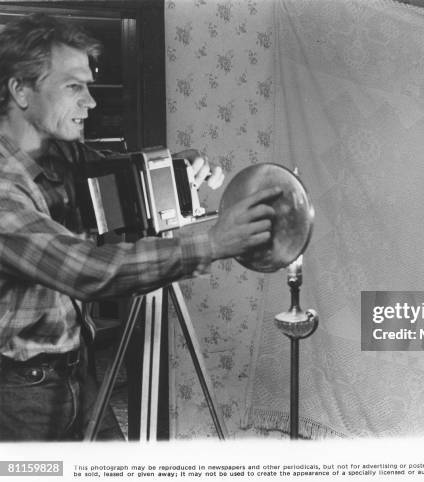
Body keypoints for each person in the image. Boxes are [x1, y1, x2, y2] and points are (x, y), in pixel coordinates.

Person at [0, 13, 279, 440]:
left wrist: (178, 169)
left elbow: (120, 175)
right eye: (74, 87)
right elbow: (85, 270)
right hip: (19, 393)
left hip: (78, 372)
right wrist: (212, 244)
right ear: (20, 90)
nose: (90, 103)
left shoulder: (60, 156)